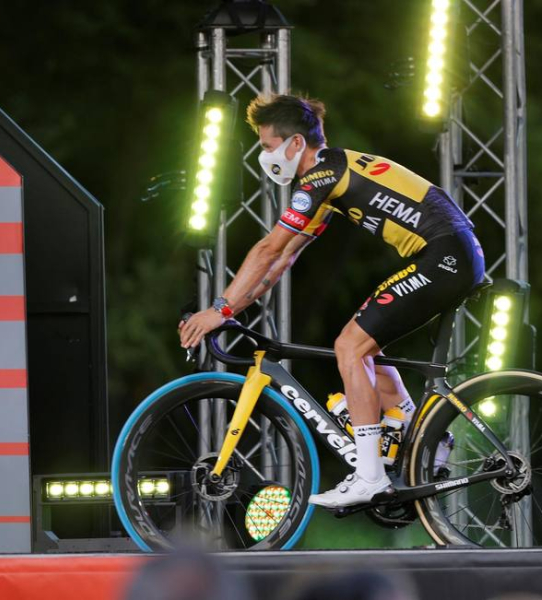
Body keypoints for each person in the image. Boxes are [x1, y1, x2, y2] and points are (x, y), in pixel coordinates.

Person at [179, 94, 485, 508]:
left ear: (295, 144)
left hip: (445, 255)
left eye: (268, 145)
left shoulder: (322, 176)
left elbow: (269, 248)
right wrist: (233, 308)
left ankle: (369, 476)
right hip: (451, 253)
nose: (264, 156)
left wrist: (219, 309)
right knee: (366, 348)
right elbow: (282, 260)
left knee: (349, 347)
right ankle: (426, 438)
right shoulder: (330, 177)